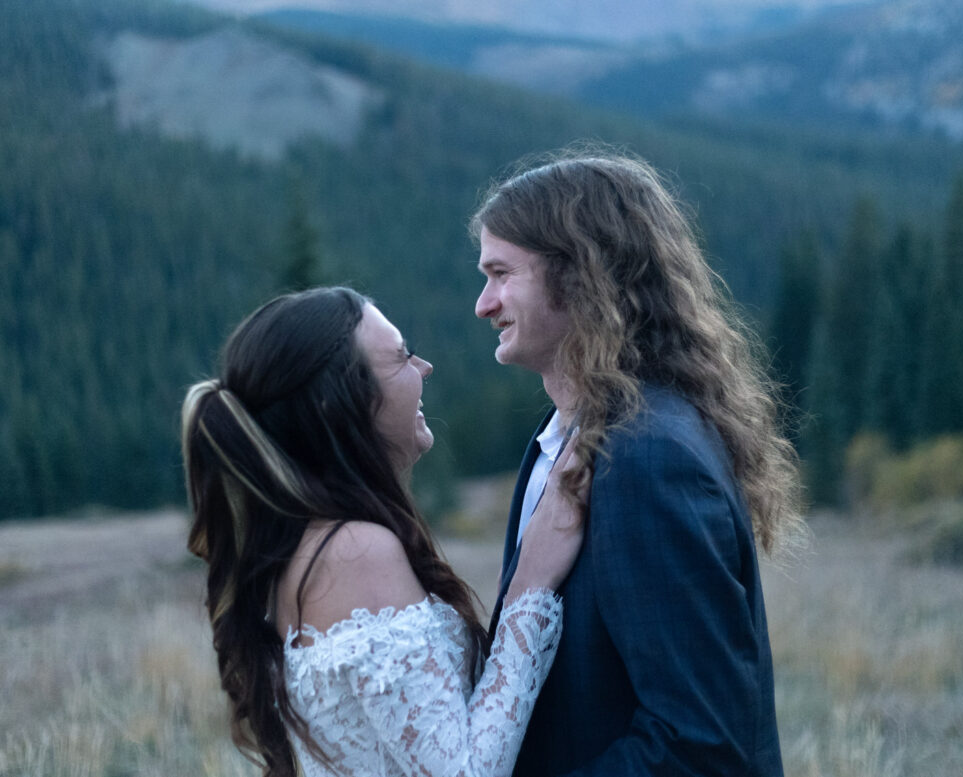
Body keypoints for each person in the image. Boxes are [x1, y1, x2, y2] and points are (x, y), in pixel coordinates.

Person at [471, 150, 806, 776]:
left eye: (501, 274)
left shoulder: (648, 458)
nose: (483, 304)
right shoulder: (562, 438)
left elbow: (702, 744)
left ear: (578, 276)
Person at [181, 286, 586, 777]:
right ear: (342, 405)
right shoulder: (353, 552)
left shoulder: (308, 548)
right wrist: (531, 583)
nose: (424, 367)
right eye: (400, 357)